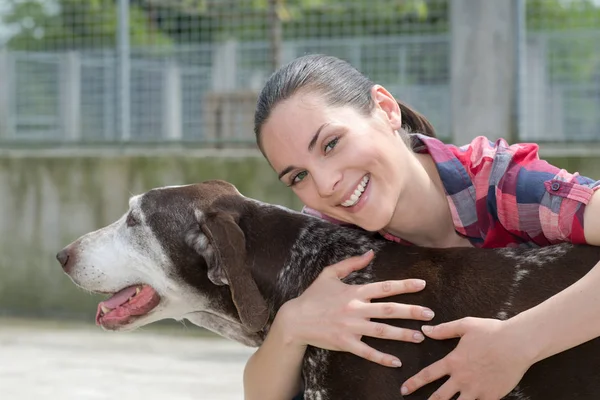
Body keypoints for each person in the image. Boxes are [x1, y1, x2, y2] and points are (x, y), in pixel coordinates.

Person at [243, 54, 600, 400]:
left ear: (386, 109)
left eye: (331, 144)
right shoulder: (331, 236)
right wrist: (292, 325)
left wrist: (517, 343)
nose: (324, 186)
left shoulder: (500, 183)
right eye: (299, 176)